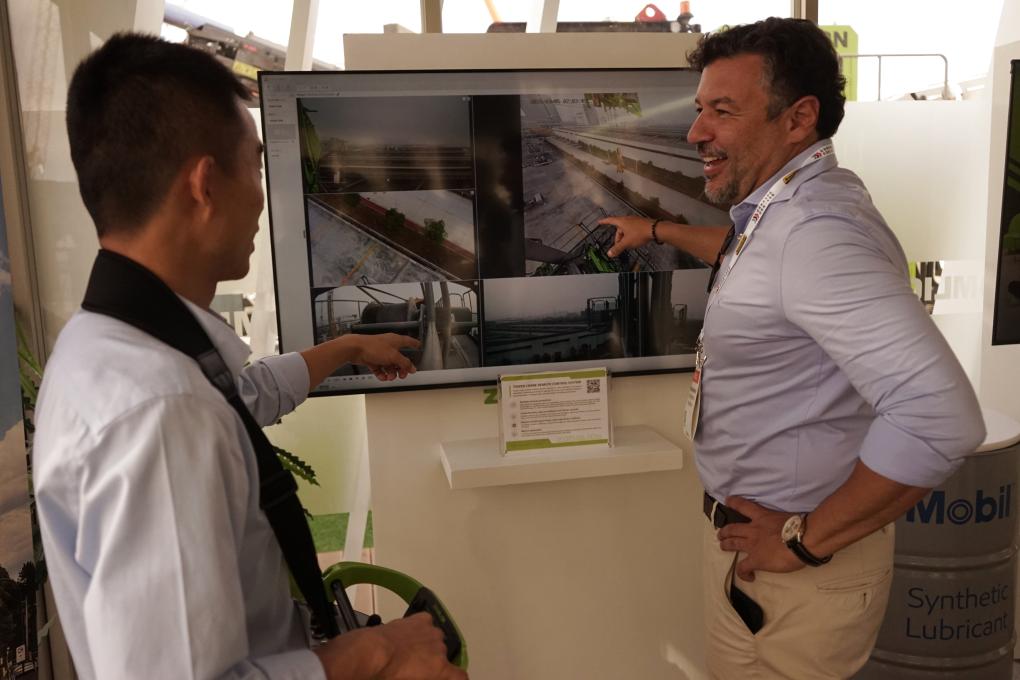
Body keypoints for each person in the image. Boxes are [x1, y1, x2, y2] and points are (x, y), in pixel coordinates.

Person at [33, 34, 466, 680]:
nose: (264, 197)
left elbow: (243, 396)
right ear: (205, 184)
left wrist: (348, 346)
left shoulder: (113, 345)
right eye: (256, 166)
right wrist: (372, 652)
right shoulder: (162, 413)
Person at [600, 18, 984, 679]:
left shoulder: (814, 234)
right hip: (760, 556)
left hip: (795, 572)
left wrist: (803, 542)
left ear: (798, 118)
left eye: (723, 112)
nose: (695, 133)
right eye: (700, 109)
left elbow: (941, 417)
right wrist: (657, 229)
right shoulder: (792, 209)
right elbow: (752, 262)